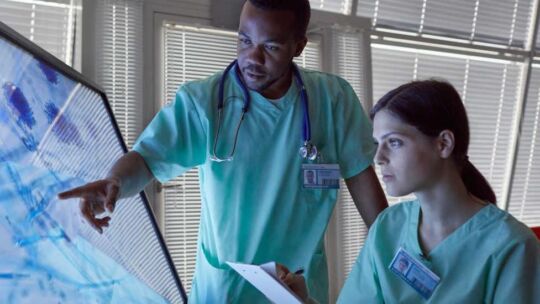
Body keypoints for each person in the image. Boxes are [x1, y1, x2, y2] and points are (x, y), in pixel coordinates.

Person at [58, 0, 388, 302]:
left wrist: (392, 253)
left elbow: (361, 179)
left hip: (297, 291)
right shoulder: (203, 102)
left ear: (298, 46)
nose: (252, 58)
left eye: (270, 47)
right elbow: (146, 159)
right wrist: (115, 180)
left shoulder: (332, 100)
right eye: (244, 40)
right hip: (224, 291)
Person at [280, 80, 540, 303]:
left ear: (443, 144)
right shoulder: (388, 227)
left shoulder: (512, 246)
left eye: (394, 142)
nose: (379, 157)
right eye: (377, 144)